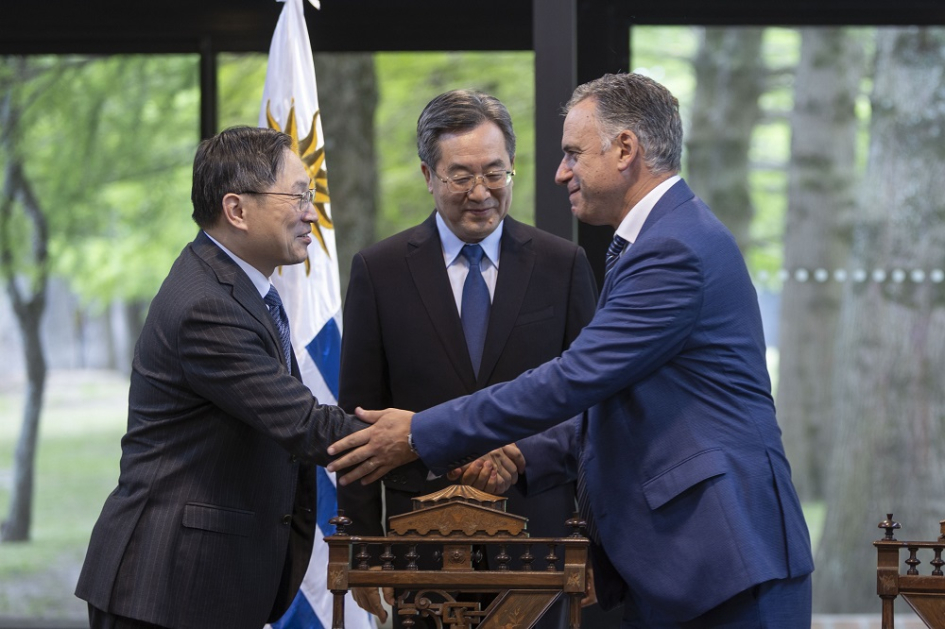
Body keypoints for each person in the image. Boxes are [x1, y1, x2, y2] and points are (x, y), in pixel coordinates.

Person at [328, 73, 815, 628]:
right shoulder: (658, 240)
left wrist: (419, 433)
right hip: (697, 560)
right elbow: (609, 400)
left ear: (625, 149)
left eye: (573, 154)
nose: (561, 172)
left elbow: (571, 380)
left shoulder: (673, 249)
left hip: (723, 558)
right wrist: (521, 455)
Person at [75, 126, 370, 629]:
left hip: (199, 583)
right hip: (165, 587)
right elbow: (305, 425)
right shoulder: (206, 306)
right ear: (237, 210)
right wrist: (425, 436)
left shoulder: (240, 289)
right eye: (298, 195)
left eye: (312, 195)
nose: (311, 212)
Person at [336, 89, 599, 628]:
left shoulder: (563, 264)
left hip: (541, 540)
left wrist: (523, 457)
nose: (480, 193)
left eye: (495, 174)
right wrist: (364, 548)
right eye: (461, 176)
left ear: (513, 170)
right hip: (420, 545)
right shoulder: (378, 270)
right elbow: (357, 419)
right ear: (428, 175)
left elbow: (593, 404)